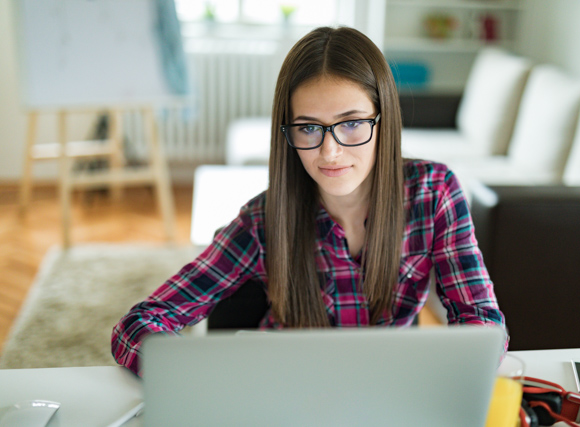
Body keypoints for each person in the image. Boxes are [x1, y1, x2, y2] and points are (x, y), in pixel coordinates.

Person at [112, 26, 507, 377]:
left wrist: (453, 374)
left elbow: (482, 322)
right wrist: (201, 379)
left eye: (352, 124)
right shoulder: (263, 221)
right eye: (308, 128)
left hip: (387, 392)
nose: (330, 152)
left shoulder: (434, 193)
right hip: (285, 394)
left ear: (382, 120)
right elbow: (138, 325)